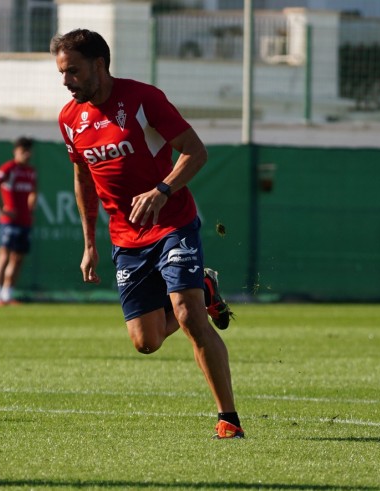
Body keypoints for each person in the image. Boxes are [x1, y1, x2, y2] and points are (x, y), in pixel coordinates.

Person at [50, 29, 243, 439]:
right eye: (62, 73)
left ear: (99, 64)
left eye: (73, 72)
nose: (66, 81)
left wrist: (163, 190)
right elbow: (83, 180)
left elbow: (196, 150)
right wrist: (89, 244)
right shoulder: (70, 120)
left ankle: (229, 419)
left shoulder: (143, 99)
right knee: (146, 342)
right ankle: (205, 288)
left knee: (189, 316)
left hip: (173, 222)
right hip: (125, 238)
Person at [0, 136, 38, 306]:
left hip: (25, 221)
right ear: (15, 152)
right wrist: (1, 210)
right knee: (4, 257)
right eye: (23, 151)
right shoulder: (9, 168)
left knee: (18, 258)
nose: (27, 154)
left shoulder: (31, 172)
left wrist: (31, 205)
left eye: (29, 151)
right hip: (9, 221)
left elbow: (33, 192)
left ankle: (8, 294)